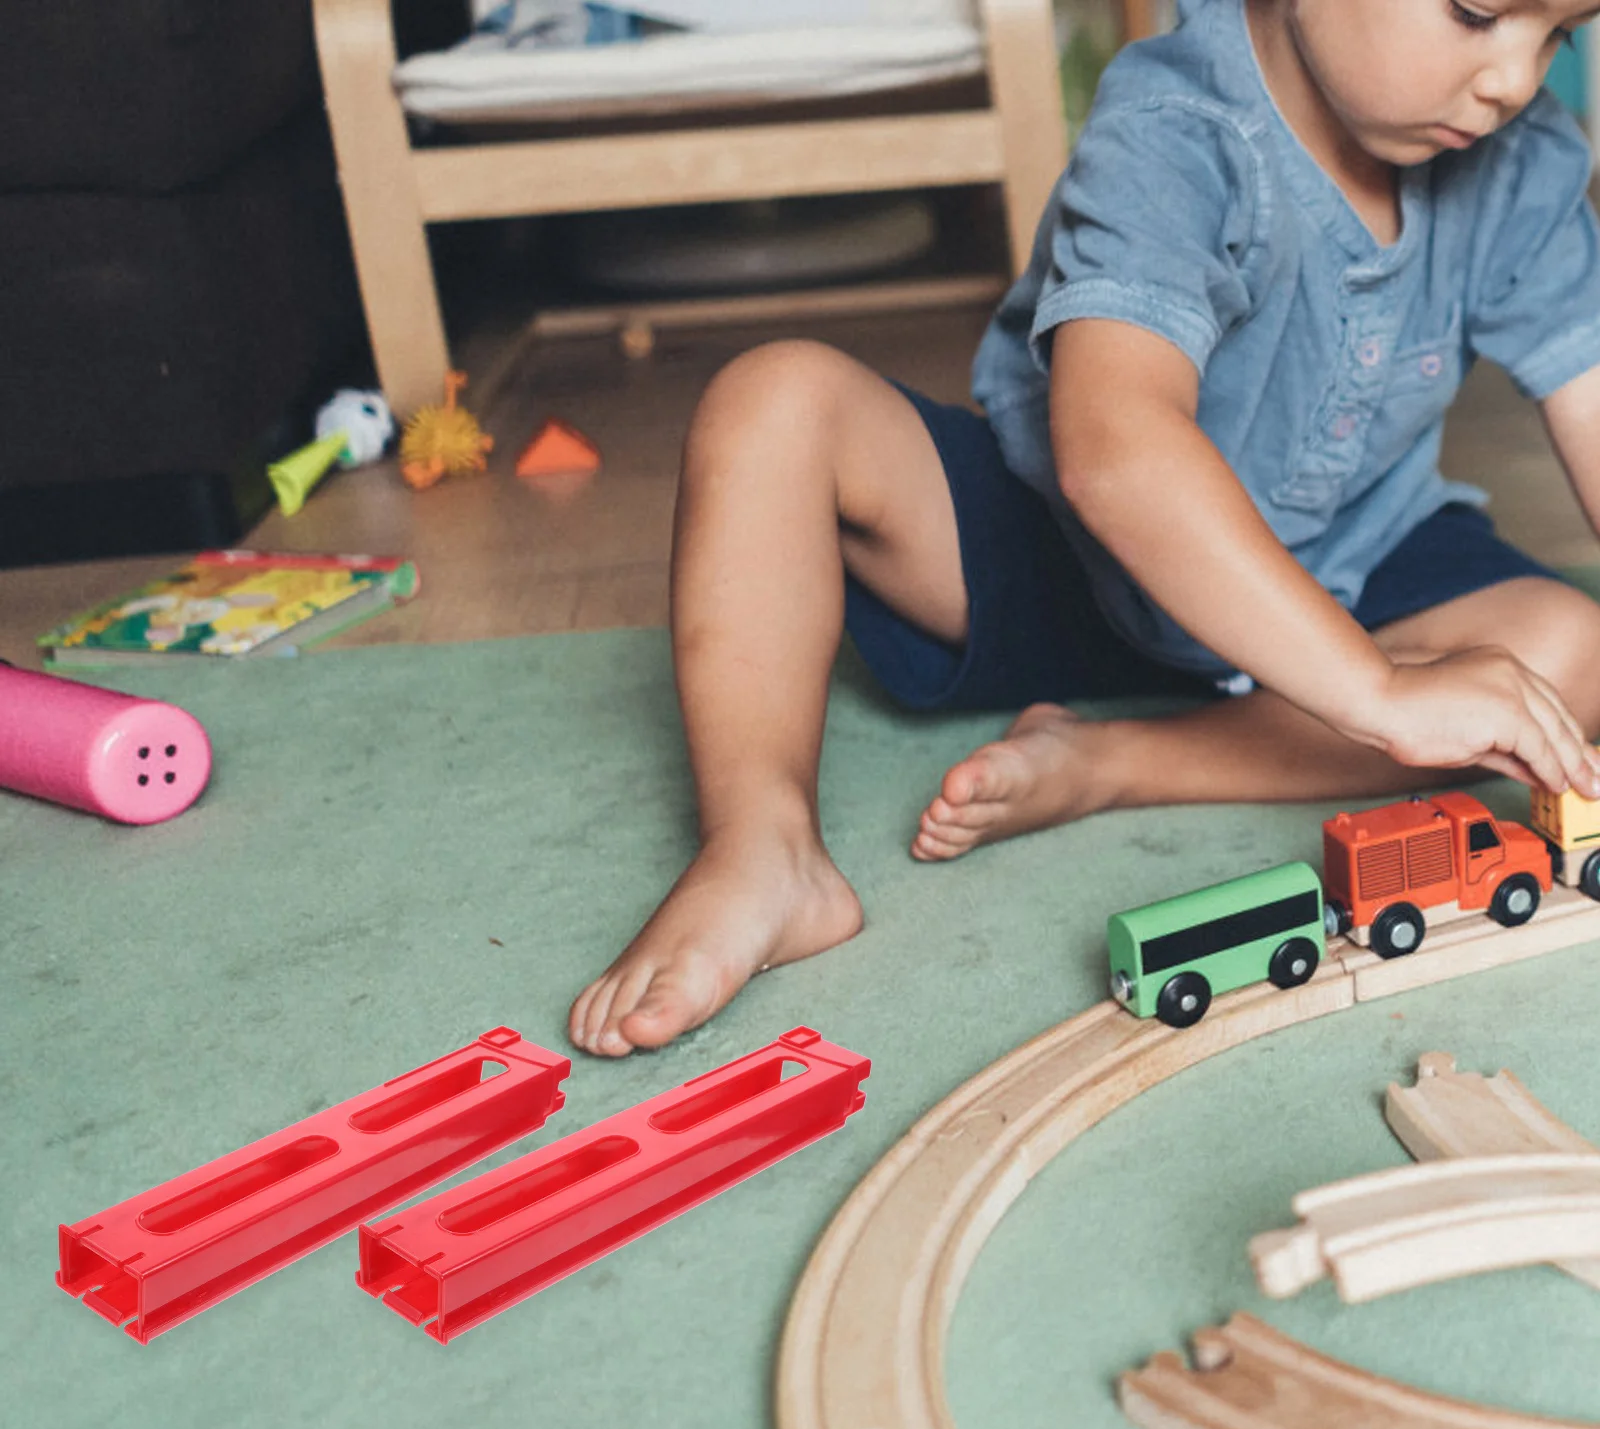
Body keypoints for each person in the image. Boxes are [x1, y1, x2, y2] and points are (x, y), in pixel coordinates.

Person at [569, 0, 1600, 1058]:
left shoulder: (1518, 164)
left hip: (1344, 557)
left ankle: (1112, 761)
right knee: (771, 399)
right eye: (1478, 13)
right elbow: (1112, 447)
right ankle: (762, 843)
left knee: (1566, 654)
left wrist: (1385, 673)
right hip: (1061, 552)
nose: (1517, 78)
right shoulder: (1177, 125)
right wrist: (1379, 694)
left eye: (1560, 32)